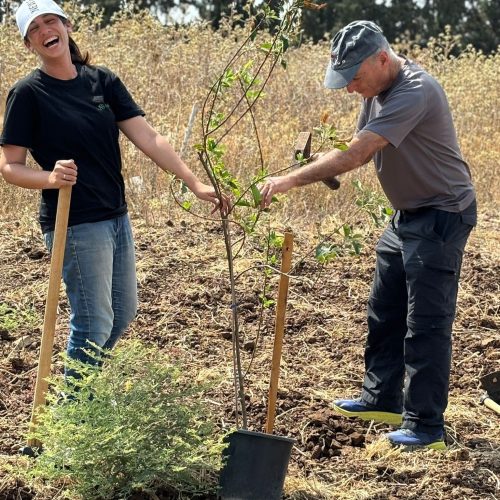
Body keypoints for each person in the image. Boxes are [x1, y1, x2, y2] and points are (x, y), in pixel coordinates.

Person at [260, 20, 476, 450]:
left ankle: (426, 425)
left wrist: (289, 180)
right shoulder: (377, 91)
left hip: (442, 214)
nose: (348, 89)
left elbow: (357, 154)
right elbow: (354, 143)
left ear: (382, 58)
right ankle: (382, 398)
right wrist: (319, 159)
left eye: (353, 78)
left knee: (425, 324)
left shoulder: (416, 89)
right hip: (407, 216)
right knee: (384, 309)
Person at [0, 0, 229, 377]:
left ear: (67, 25)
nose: (45, 31)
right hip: (73, 221)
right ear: (28, 44)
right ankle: (71, 417)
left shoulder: (101, 81)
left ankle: (85, 398)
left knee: (122, 313)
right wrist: (49, 178)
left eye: (50, 21)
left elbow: (149, 137)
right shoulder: (27, 93)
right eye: (34, 29)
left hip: (115, 216)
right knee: (93, 323)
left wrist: (194, 182)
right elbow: (10, 167)